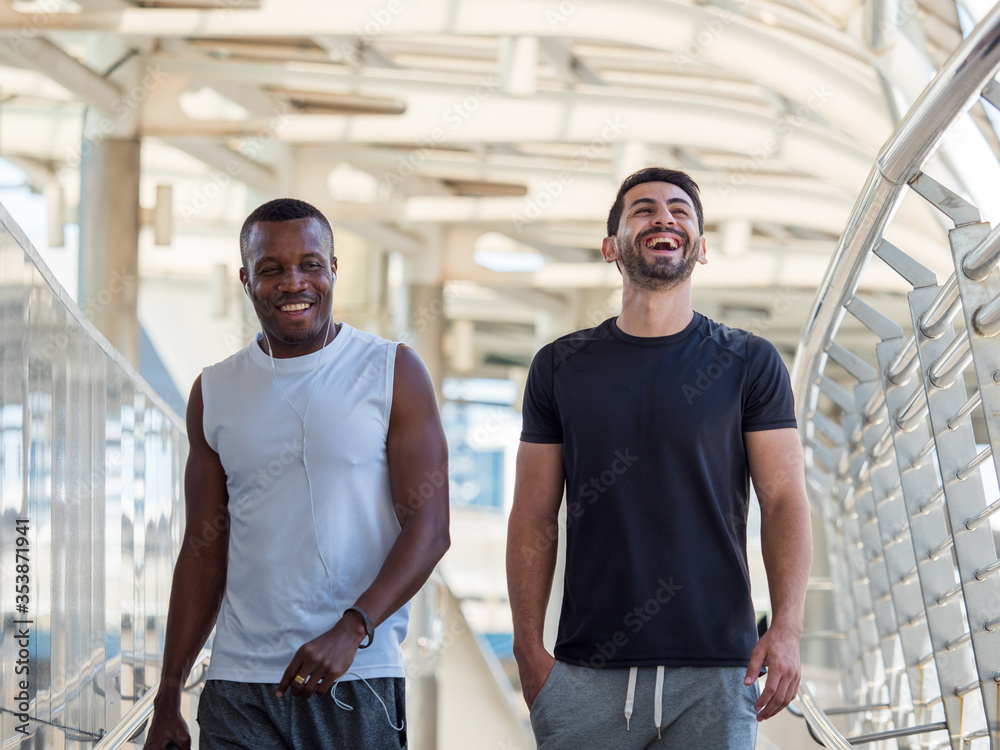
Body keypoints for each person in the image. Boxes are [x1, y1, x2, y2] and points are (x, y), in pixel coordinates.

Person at [506, 168, 812, 749]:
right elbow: (532, 515)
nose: (663, 217)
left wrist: (789, 627)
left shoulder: (749, 362)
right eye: (642, 210)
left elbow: (783, 498)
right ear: (610, 248)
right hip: (583, 674)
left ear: (701, 249)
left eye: (680, 210)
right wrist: (528, 650)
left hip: (718, 672)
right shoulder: (559, 366)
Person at [143, 198, 450, 750]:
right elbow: (202, 551)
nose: (293, 283)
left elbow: (429, 529)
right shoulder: (214, 391)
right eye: (271, 269)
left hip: (355, 678)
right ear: (246, 278)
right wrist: (168, 695)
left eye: (310, 264)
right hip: (239, 685)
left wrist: (352, 629)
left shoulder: (392, 371)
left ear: (334, 269)